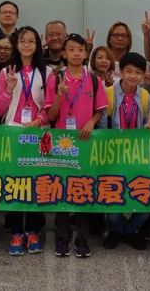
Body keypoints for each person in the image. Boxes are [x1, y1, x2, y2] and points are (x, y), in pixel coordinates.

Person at [46, 33, 108, 258]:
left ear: (85, 53)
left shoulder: (93, 80)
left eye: (80, 50)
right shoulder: (55, 78)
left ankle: (82, 239)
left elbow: (100, 109)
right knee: (61, 189)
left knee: (83, 188)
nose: (76, 54)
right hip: (61, 143)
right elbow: (50, 116)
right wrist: (60, 96)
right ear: (64, 53)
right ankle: (62, 238)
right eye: (71, 50)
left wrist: (91, 122)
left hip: (84, 142)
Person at [0, 26, 51, 256]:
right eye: (22, 41)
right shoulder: (6, 72)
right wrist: (9, 89)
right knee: (15, 183)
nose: (27, 45)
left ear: (37, 45)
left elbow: (50, 108)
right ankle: (17, 231)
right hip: (13, 133)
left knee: (37, 182)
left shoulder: (47, 72)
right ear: (16, 45)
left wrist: (39, 120)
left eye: (31, 41)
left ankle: (34, 231)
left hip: (39, 133)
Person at [100, 52, 150, 251]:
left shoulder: (146, 97)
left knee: (147, 200)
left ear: (143, 75)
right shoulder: (108, 94)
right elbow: (102, 128)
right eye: (128, 71)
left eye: (138, 72)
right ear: (121, 72)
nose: (133, 76)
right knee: (112, 201)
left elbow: (149, 124)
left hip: (138, 156)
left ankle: (129, 231)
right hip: (113, 156)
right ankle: (116, 230)